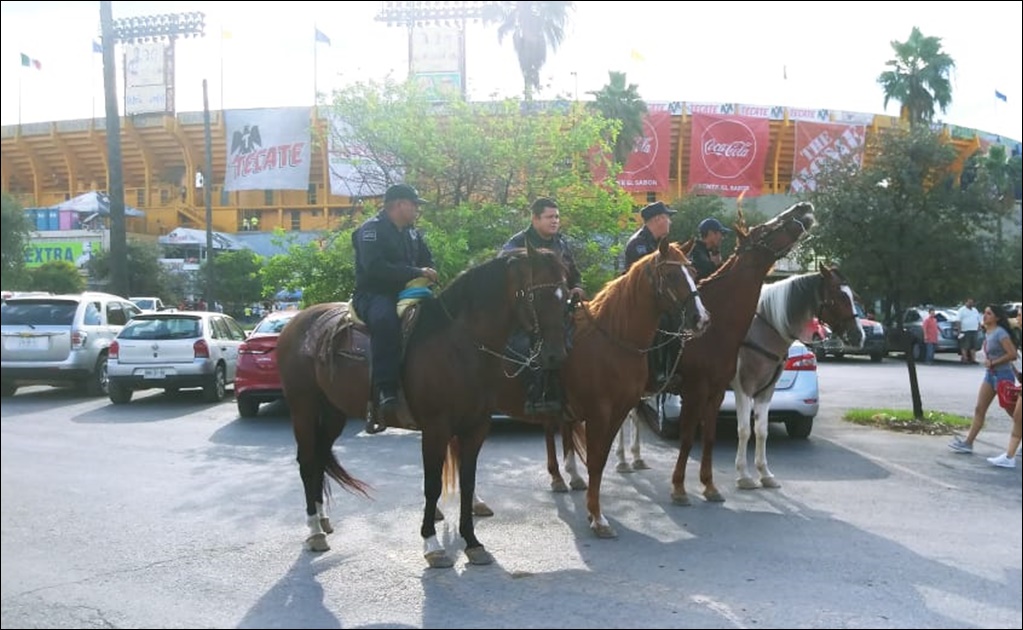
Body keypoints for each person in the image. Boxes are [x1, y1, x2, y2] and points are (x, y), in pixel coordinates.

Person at [352, 183, 437, 431]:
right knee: (386, 321)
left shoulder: (411, 232)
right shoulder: (370, 230)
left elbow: (426, 258)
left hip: (409, 291)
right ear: (399, 205)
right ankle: (386, 389)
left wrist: (428, 273)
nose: (416, 211)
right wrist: (416, 272)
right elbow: (375, 268)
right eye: (414, 205)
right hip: (375, 293)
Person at [501, 197, 584, 414]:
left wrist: (577, 288)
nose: (555, 221)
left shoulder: (562, 243)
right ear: (535, 218)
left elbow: (574, 275)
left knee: (579, 343)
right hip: (525, 313)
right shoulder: (517, 243)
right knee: (526, 347)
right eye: (550, 217)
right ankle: (533, 395)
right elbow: (502, 272)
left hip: (557, 311)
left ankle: (570, 396)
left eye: (557, 217)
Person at [948, 303, 1019, 455]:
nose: (985, 316)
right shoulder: (988, 331)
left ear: (997, 318)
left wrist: (994, 362)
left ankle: (1017, 439)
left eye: (989, 314)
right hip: (990, 375)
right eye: (985, 313)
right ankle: (968, 443)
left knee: (1014, 413)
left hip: (1003, 375)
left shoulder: (1000, 333)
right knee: (979, 409)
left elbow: (1012, 354)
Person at [624, 201, 676, 271]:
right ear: (657, 219)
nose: (670, 222)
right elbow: (645, 274)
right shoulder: (638, 243)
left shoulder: (658, 242)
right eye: (667, 218)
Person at [691, 217, 731, 281]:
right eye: (721, 234)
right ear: (711, 233)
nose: (722, 238)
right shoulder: (695, 252)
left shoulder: (704, 251)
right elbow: (709, 275)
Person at [956, 297, 981, 364]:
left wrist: (979, 327)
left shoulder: (975, 310)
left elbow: (978, 319)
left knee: (973, 346)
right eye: (969, 302)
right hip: (965, 330)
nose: (970, 303)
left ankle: (973, 359)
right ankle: (965, 359)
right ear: (966, 302)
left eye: (971, 302)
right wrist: (959, 330)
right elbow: (958, 320)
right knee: (965, 346)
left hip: (974, 330)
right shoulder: (961, 310)